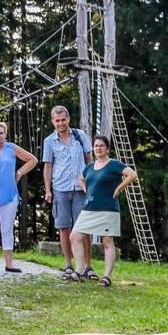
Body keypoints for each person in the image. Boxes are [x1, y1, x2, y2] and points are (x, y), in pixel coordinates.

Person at [69, 135, 137, 287]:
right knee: (75, 237)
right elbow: (81, 179)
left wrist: (119, 188)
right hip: (89, 208)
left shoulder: (114, 165)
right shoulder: (89, 167)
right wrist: (86, 190)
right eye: (96, 146)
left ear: (107, 149)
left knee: (107, 241)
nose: (98, 148)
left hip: (108, 209)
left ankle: (107, 277)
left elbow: (132, 174)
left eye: (101, 146)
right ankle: (79, 271)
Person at [42, 105, 94, 279]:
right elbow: (48, 167)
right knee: (64, 227)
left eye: (63, 120)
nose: (60, 123)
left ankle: (87, 266)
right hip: (61, 188)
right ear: (52, 122)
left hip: (81, 188)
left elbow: (89, 160)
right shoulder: (49, 141)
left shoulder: (80, 135)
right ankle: (69, 265)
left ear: (68, 119)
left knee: (83, 228)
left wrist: (92, 182)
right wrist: (48, 189)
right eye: (57, 121)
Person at [0, 121, 38, 272]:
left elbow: (32, 160)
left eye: (1, 133)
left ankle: (9, 264)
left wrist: (19, 173)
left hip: (9, 195)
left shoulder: (11, 148)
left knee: (7, 229)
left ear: (5, 134)